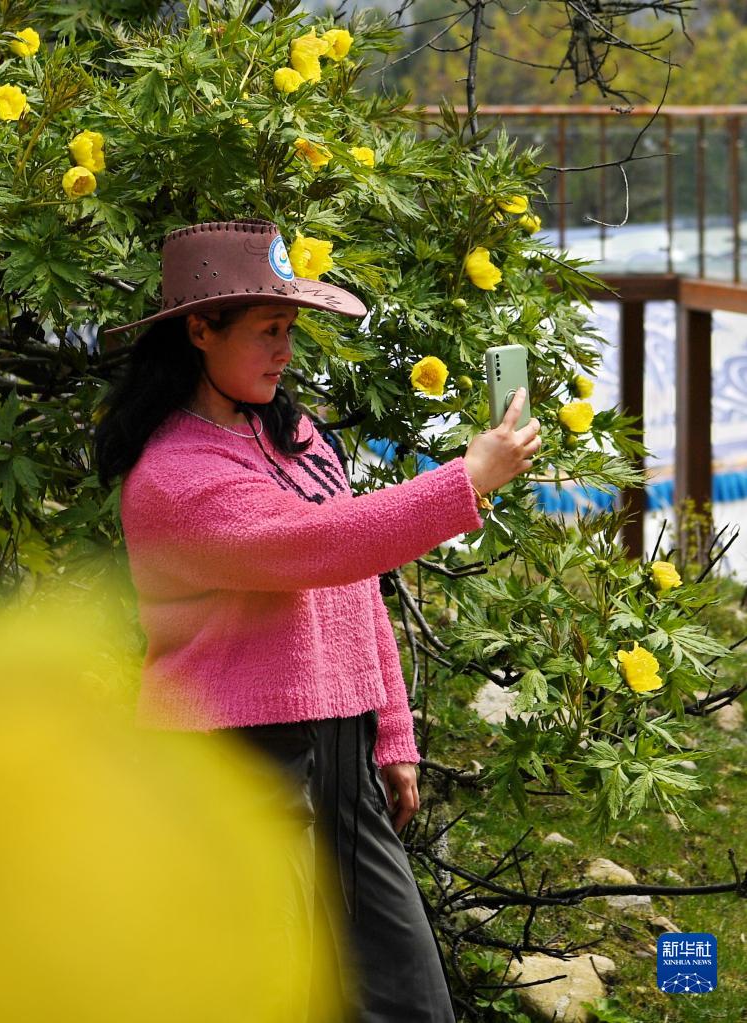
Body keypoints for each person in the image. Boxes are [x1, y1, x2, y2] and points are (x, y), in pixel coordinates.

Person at [94, 218, 542, 1022]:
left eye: (290, 329)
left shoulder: (291, 433)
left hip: (341, 749)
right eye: (269, 330)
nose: (285, 351)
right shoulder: (173, 479)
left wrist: (391, 733)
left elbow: (355, 580)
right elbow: (321, 544)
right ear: (200, 330)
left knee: (408, 997)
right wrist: (465, 481)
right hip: (237, 760)